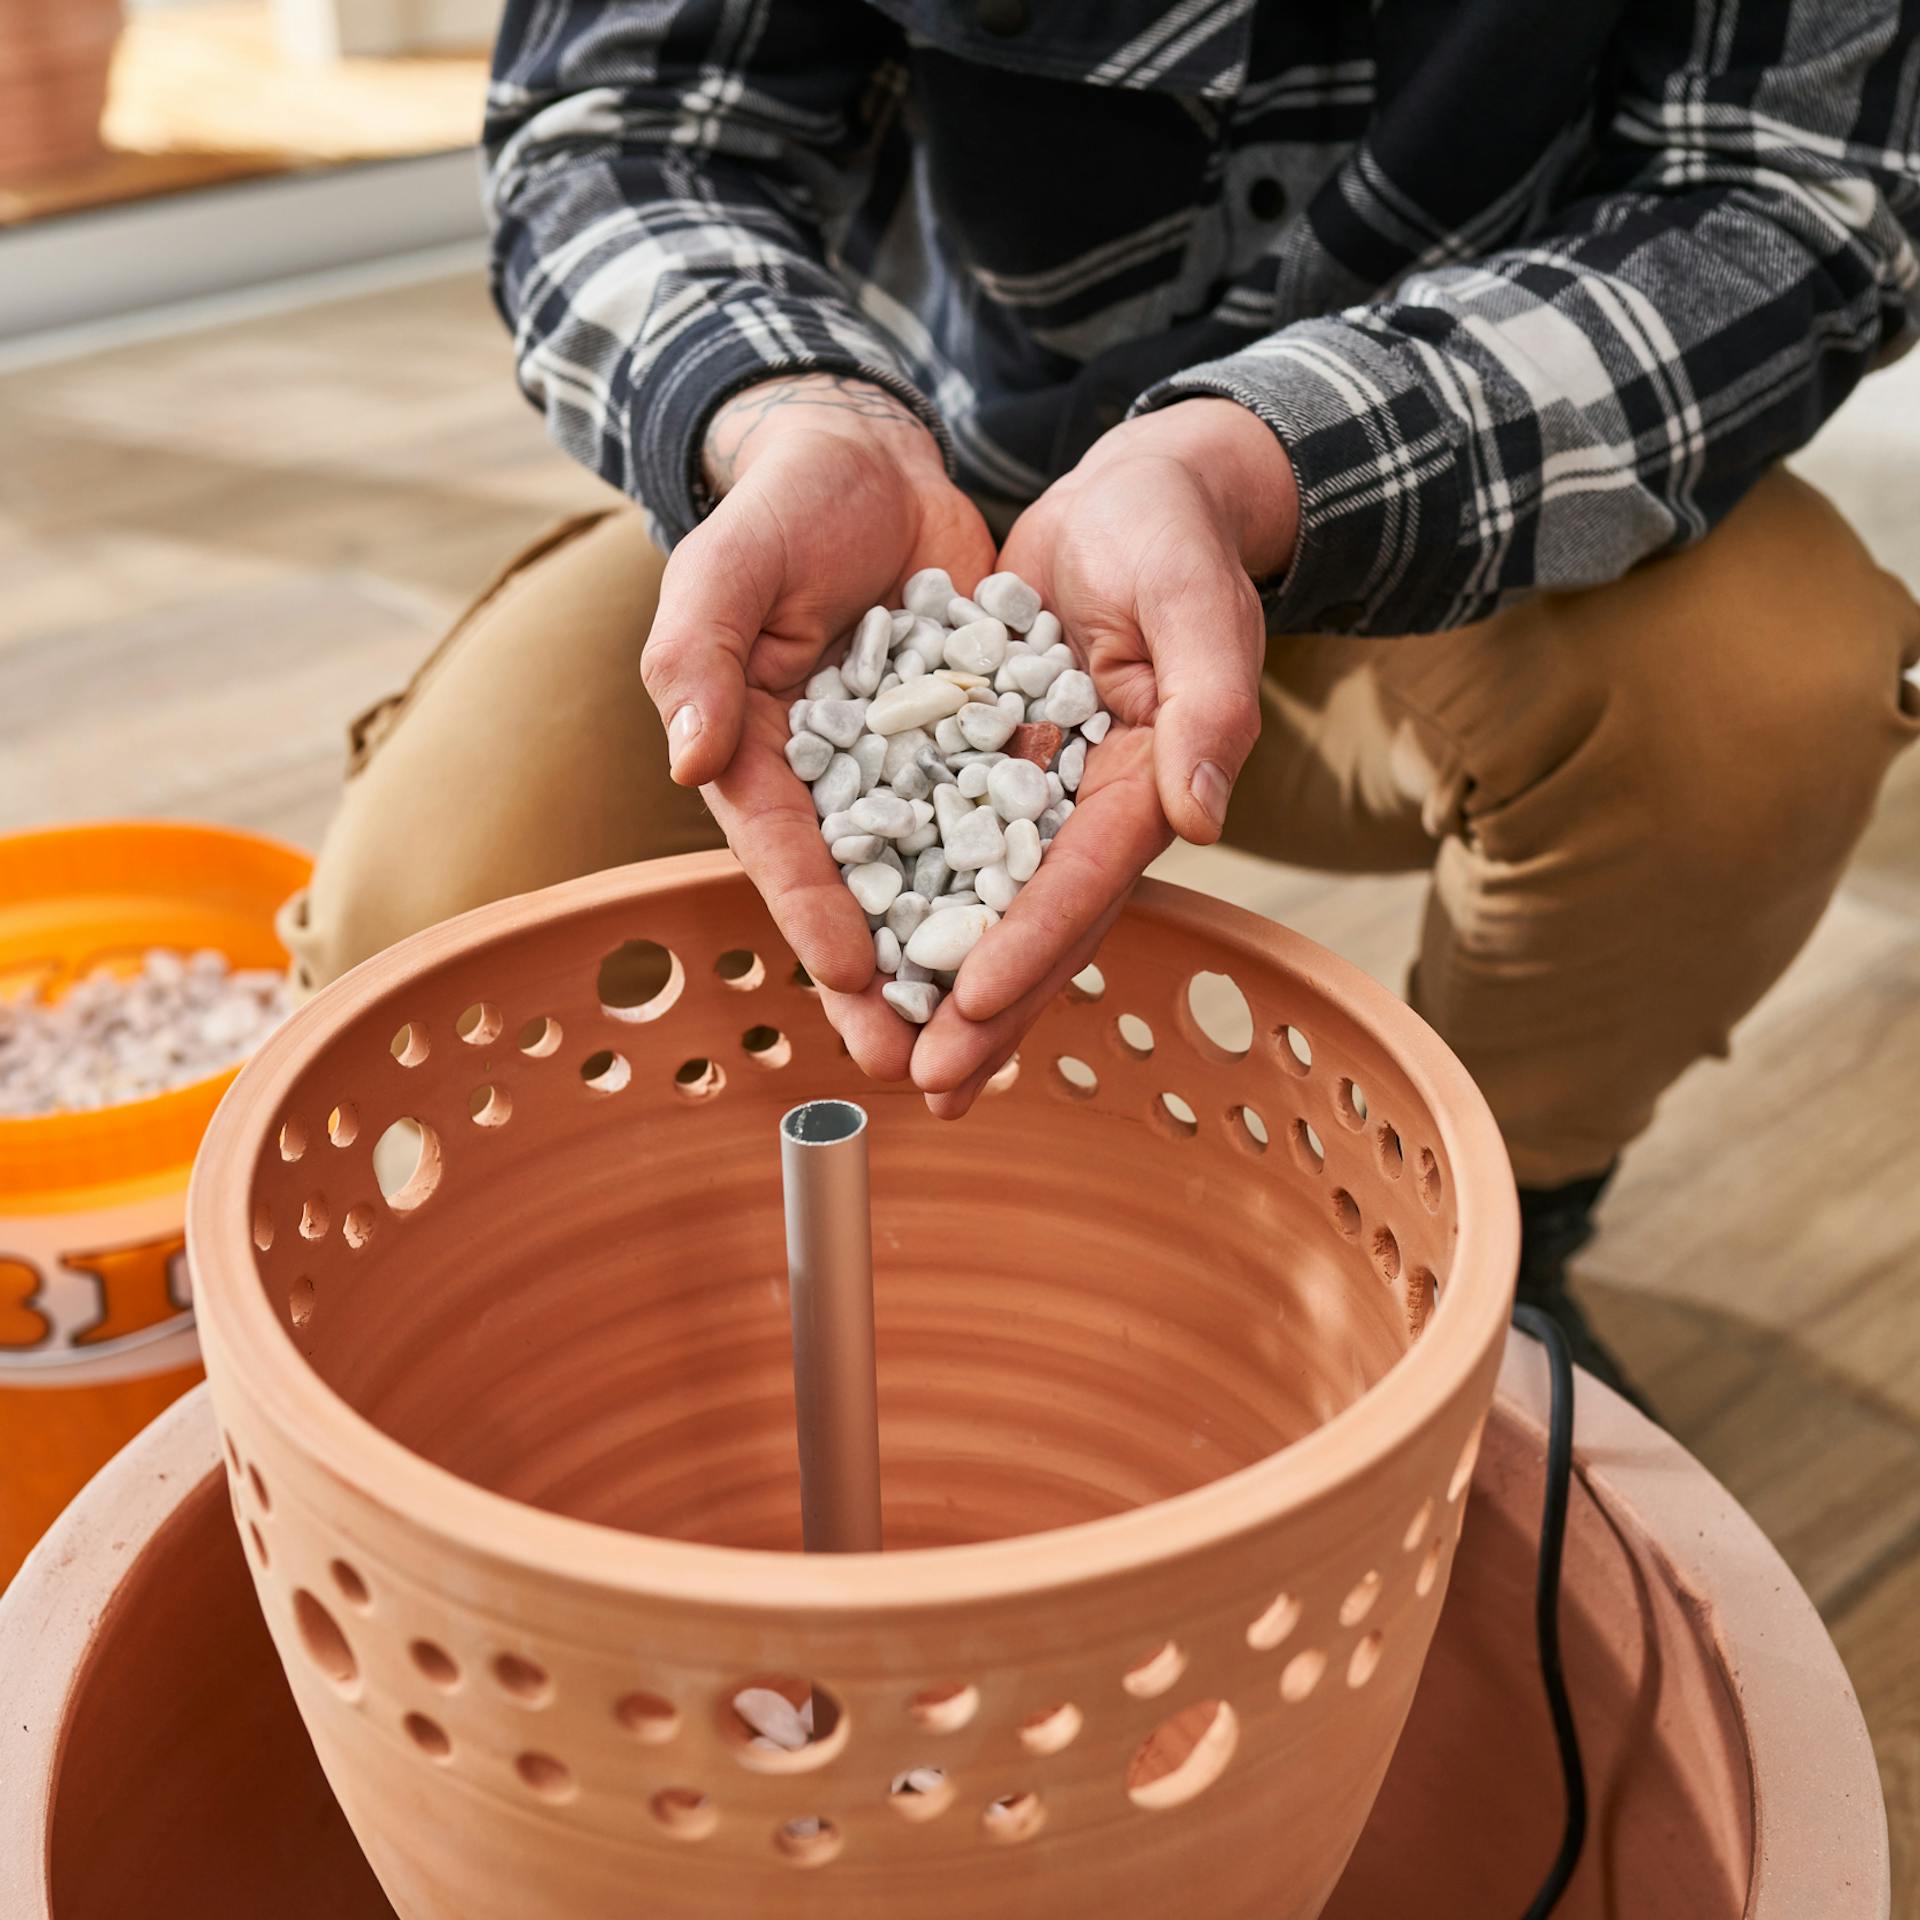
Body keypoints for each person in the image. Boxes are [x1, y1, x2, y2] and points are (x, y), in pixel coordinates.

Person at [281, 0, 1920, 1398]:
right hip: (903, 502)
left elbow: (1790, 198)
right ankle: (666, 1292)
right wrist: (783, 411)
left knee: (1768, 676)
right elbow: (619, 122)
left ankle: (1507, 1233)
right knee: (435, 892)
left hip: (1456, 510)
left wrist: (1259, 461)